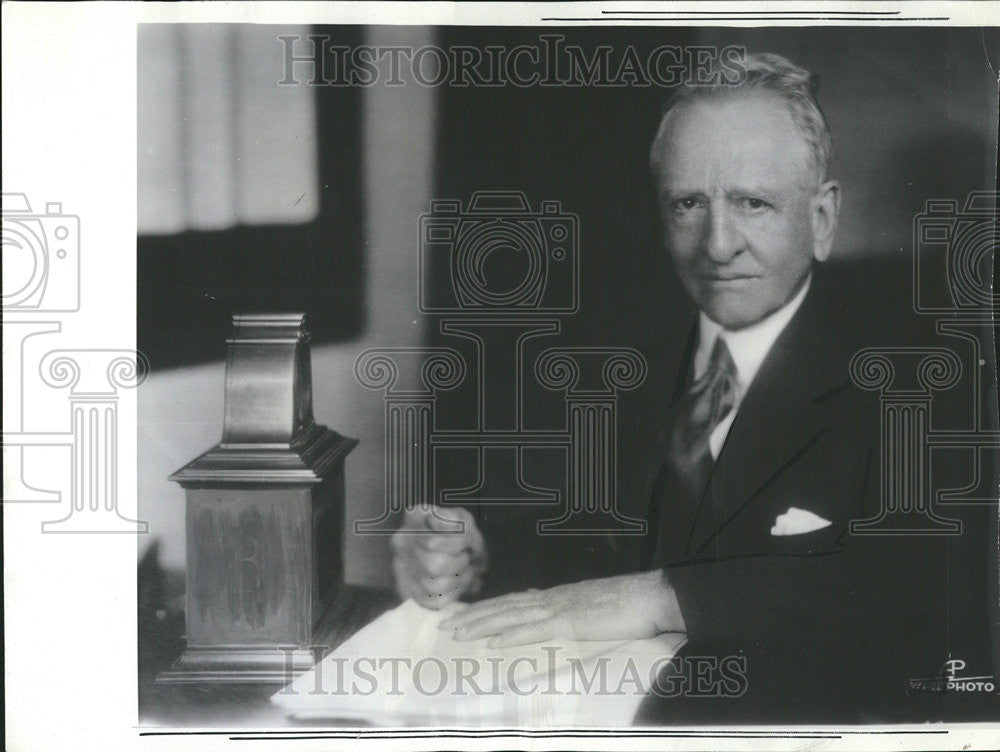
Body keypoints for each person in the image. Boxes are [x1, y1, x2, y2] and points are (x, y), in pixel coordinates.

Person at [391, 53, 996, 722]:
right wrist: (477, 555)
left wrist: (659, 596)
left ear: (823, 219)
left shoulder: (923, 374)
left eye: (753, 203)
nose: (716, 244)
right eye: (688, 204)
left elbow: (926, 583)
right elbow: (597, 540)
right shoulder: (633, 363)